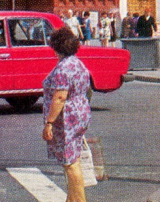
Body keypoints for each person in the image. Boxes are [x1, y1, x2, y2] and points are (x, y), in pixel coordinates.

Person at [42, 26, 91, 202]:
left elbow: (60, 97)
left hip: (67, 118)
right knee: (73, 159)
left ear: (56, 47)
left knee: (70, 163)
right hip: (80, 112)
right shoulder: (77, 63)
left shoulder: (63, 68)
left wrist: (49, 123)